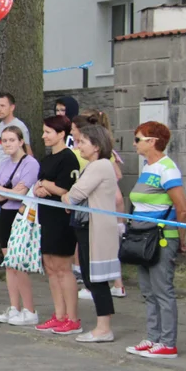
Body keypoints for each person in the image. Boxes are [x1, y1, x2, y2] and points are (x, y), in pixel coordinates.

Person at [127, 121, 186, 359]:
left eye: (138, 139)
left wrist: (180, 239)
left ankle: (168, 342)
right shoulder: (147, 168)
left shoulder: (167, 169)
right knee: (147, 289)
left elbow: (182, 208)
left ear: (152, 141)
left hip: (162, 236)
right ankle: (153, 337)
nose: (134, 144)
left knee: (162, 289)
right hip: (141, 236)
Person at [62, 124, 120, 343]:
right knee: (89, 276)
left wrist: (67, 197)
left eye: (82, 142)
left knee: (96, 278)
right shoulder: (95, 166)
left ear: (96, 146)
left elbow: (75, 194)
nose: (79, 146)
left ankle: (104, 327)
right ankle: (102, 325)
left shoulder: (100, 166)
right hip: (86, 227)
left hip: (95, 229)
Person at [32, 116, 82, 335]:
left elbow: (65, 188)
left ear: (61, 134)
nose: (44, 136)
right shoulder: (46, 159)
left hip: (62, 218)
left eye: (48, 132)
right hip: (46, 216)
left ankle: (72, 317)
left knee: (63, 267)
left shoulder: (69, 159)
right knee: (50, 267)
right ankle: (59, 314)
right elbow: (39, 184)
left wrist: (46, 185)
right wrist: (41, 187)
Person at [0, 126, 41, 326]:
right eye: (5, 140)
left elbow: (21, 194)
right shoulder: (4, 165)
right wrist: (6, 190)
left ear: (21, 141)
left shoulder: (30, 163)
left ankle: (29, 309)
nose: (8, 144)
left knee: (19, 264)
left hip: (22, 214)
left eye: (12, 140)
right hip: (5, 214)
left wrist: (3, 190)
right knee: (9, 264)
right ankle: (14, 307)